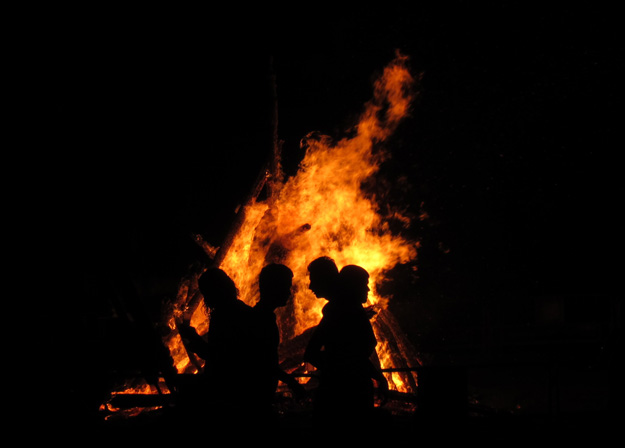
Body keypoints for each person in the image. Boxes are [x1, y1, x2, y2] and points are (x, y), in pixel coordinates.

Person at [304, 261, 388, 426]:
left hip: (344, 393)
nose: (368, 289)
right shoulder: (342, 312)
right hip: (349, 395)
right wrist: (339, 373)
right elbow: (351, 356)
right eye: (365, 285)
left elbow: (353, 355)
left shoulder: (342, 310)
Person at [177, 267, 255, 419]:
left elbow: (219, 357)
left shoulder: (224, 316)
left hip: (230, 387)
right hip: (239, 384)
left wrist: (194, 339)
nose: (206, 299)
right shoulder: (242, 310)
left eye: (207, 293)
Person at [249, 263, 306, 420]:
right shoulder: (261, 320)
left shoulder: (263, 316)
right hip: (256, 397)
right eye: (286, 287)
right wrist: (292, 383)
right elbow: (266, 363)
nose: (289, 293)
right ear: (274, 288)